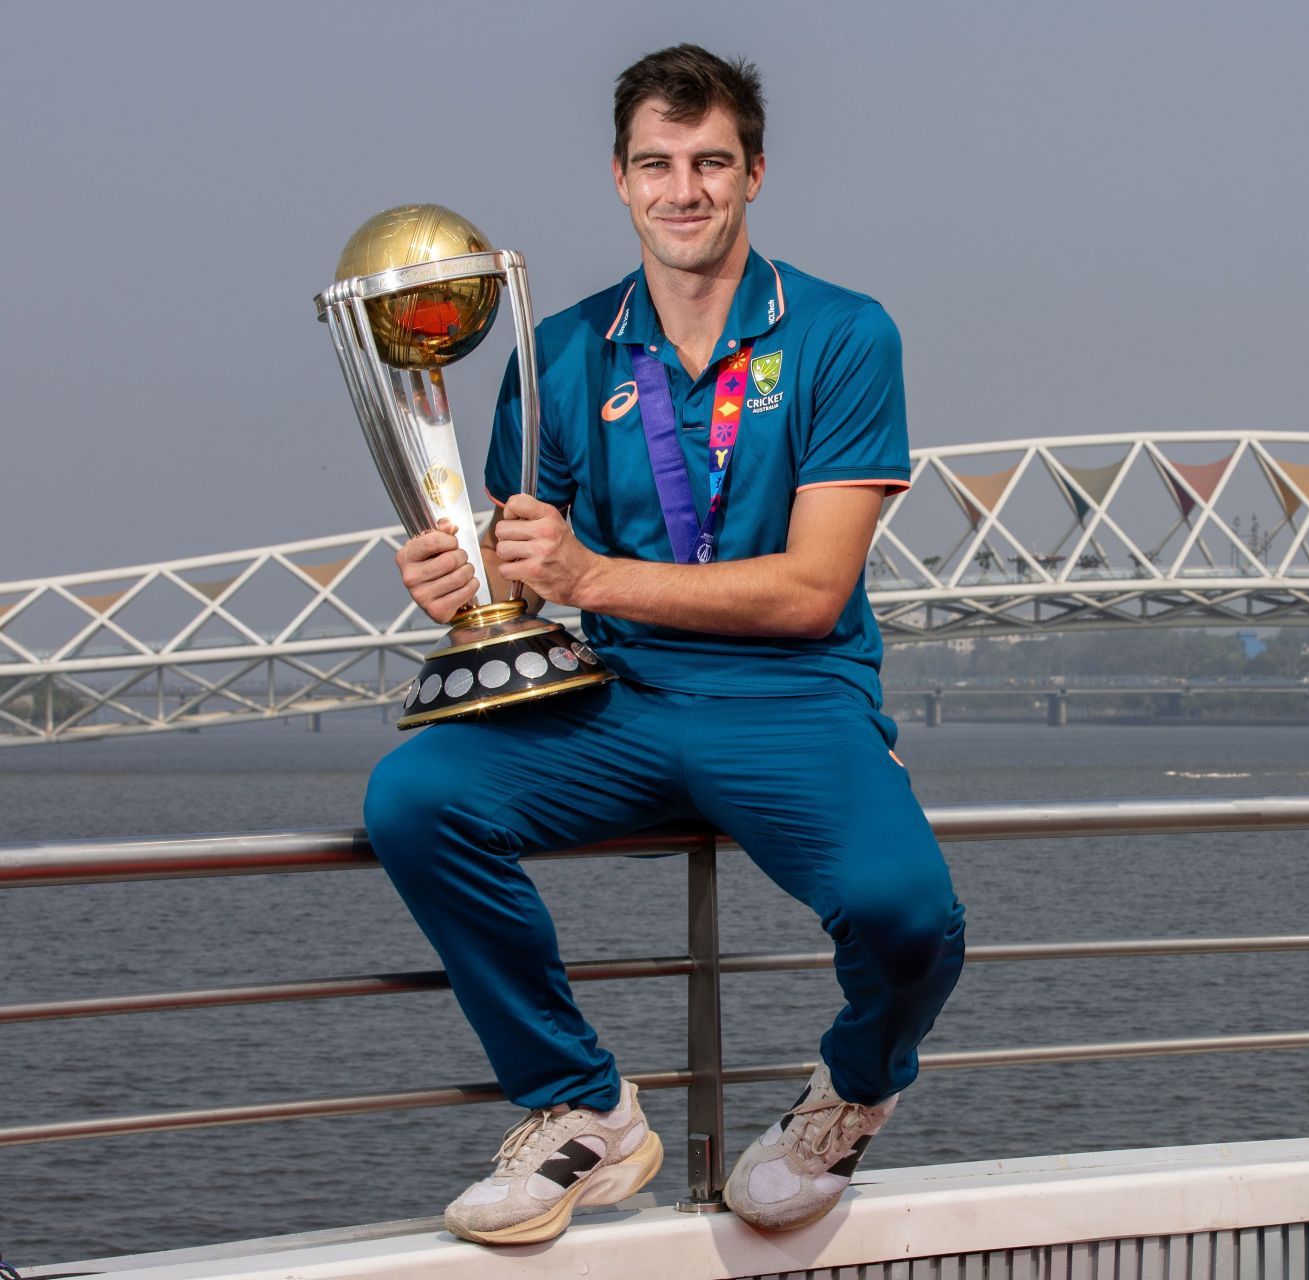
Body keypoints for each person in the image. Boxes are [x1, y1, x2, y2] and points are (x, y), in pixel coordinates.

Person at [362, 43, 966, 1246]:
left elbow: (810, 590)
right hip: (619, 694)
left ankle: (850, 1089)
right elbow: (527, 583)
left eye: (708, 163)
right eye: (657, 164)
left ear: (753, 175)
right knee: (417, 796)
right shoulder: (560, 354)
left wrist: (591, 573)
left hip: (792, 696)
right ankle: (581, 1107)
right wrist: (464, 587)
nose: (682, 189)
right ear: (621, 180)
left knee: (910, 915)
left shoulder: (846, 334)